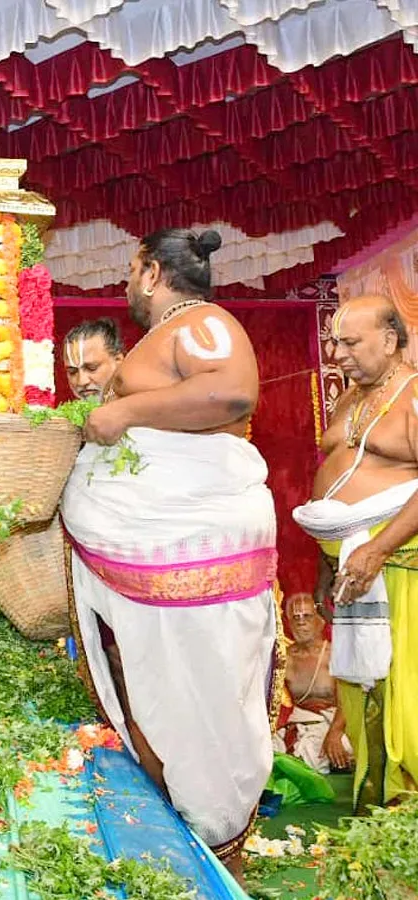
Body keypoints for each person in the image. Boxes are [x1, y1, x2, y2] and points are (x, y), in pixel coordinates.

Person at [60, 228, 278, 882]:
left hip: (191, 541)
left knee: (197, 692)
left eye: (131, 271)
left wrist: (124, 414)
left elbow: (233, 392)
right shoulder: (167, 337)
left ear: (152, 272)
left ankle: (212, 842)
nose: (127, 285)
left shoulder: (203, 322)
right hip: (149, 553)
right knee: (151, 686)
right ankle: (183, 841)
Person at [293, 294, 418, 814]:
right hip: (351, 564)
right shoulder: (349, 398)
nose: (337, 353)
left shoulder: (413, 395)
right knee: (363, 687)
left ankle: (407, 803)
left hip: (397, 565)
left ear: (389, 340)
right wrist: (330, 562)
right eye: (334, 342)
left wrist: (376, 549)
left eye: (350, 342)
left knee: (404, 689)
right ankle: (378, 804)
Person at [273, 593, 353, 774]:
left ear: (319, 620)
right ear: (288, 623)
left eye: (307, 616)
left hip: (335, 723)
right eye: (296, 617)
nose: (301, 622)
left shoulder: (333, 653)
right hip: (300, 722)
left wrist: (334, 734)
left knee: (339, 747)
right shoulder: (283, 657)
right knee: (269, 749)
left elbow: (348, 701)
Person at [62, 317, 125, 401]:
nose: (82, 381)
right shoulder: (66, 413)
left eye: (92, 368)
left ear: (118, 361)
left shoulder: (144, 406)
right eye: (72, 372)